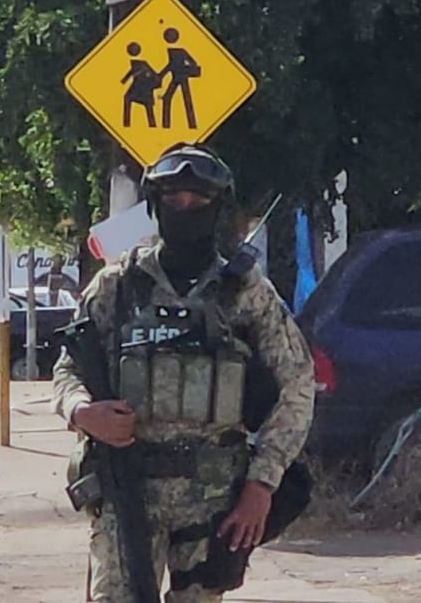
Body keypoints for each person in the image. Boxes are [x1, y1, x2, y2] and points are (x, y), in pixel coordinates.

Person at [52, 143, 316, 602]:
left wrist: (262, 482)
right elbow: (67, 366)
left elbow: (297, 384)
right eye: (174, 199)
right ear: (156, 205)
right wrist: (82, 412)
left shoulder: (245, 293)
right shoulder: (117, 287)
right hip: (127, 488)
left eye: (199, 200)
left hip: (213, 501)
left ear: (218, 208)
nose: (186, 208)